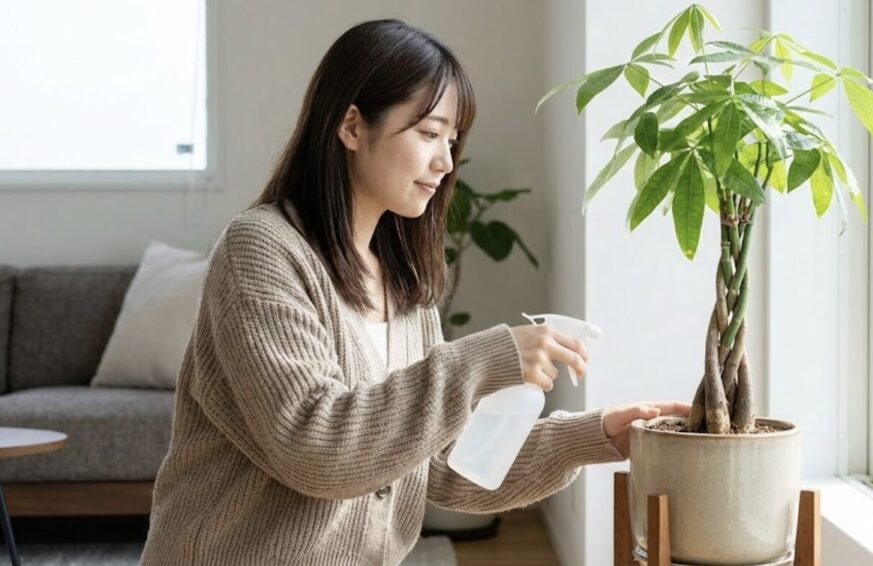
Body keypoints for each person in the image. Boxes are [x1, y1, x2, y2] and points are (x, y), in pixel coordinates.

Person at [139, 19, 688, 565]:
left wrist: (598, 436)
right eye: (429, 134)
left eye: (452, 141)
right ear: (352, 126)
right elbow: (316, 447)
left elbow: (445, 465)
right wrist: (488, 357)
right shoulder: (261, 249)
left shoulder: (405, 284)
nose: (447, 163)